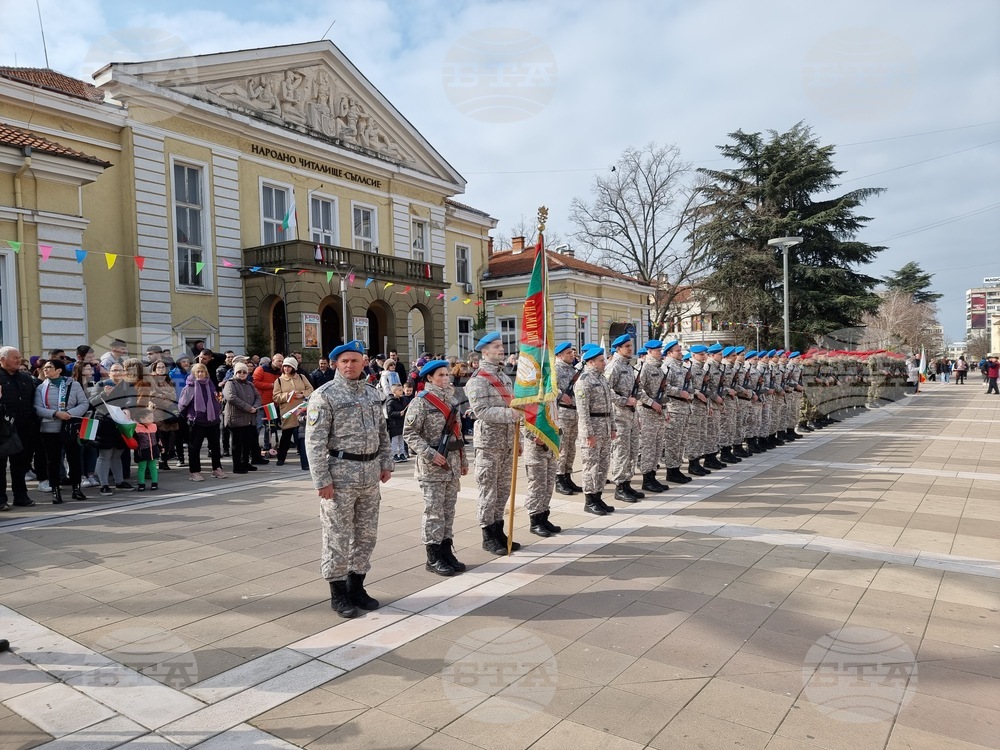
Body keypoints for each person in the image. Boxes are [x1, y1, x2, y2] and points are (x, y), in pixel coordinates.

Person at [304, 341, 392, 619]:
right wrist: (322, 480)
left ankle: (357, 586)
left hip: (369, 474)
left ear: (363, 363)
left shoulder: (371, 392)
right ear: (335, 364)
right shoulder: (324, 395)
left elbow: (382, 430)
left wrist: (386, 463)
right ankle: (338, 592)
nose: (350, 365)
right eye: (345, 361)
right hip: (339, 476)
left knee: (366, 535)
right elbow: (314, 442)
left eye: (355, 360)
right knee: (337, 536)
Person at [402, 360, 469, 575]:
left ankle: (446, 552)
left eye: (446, 374)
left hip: (452, 464)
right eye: (440, 375)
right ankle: (433, 557)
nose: (445, 378)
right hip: (432, 467)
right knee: (434, 513)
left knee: (448, 511)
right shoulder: (420, 402)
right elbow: (409, 434)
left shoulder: (450, 400)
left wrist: (464, 460)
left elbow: (458, 433)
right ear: (429, 378)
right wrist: (431, 454)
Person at [465, 331, 520, 556]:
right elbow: (482, 411)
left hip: (507, 441)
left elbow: (516, 406)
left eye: (501, 346)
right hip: (489, 443)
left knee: (503, 490)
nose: (501, 349)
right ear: (484, 352)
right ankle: (488, 534)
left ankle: (499, 529)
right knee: (488, 491)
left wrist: (519, 437)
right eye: (496, 346)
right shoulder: (478, 379)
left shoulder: (504, 377)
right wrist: (511, 414)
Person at [33, 358, 89, 504]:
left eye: (49, 367)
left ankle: (77, 489)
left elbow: (84, 403)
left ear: (59, 370)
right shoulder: (41, 387)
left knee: (74, 458)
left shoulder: (73, 385)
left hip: (70, 427)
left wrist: (69, 413)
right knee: (53, 461)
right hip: (49, 429)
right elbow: (37, 408)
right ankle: (55, 491)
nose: (45, 369)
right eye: (44, 367)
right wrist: (55, 414)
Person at [575, 346, 616, 515]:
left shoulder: (602, 379)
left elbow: (609, 406)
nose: (604, 362)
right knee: (591, 465)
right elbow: (582, 412)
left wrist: (613, 427)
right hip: (593, 428)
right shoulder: (584, 381)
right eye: (601, 360)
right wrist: (588, 434)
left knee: (603, 465)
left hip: (605, 427)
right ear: (591, 362)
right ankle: (590, 500)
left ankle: (598, 497)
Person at [605, 334, 644, 502]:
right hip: (619, 416)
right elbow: (607, 391)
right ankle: (620, 486)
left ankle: (627, 483)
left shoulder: (629, 366)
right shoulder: (613, 366)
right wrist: (624, 400)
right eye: (627, 346)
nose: (630, 348)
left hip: (632, 415)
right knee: (621, 452)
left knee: (632, 451)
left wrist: (637, 397)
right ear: (618, 349)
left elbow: (637, 388)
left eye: (631, 345)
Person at [0, 347, 39, 510]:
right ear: (2, 359)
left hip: (23, 428)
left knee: (20, 464)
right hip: (2, 430)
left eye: (20, 357)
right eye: (15, 357)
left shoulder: (25, 377)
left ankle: (21, 496)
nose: (18, 360)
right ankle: (1, 500)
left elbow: (33, 400)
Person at [89, 362, 135, 496]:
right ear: (109, 373)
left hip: (120, 423)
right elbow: (92, 402)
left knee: (117, 454)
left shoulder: (128, 385)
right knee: (105, 455)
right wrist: (104, 393)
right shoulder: (101, 385)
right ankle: (104, 484)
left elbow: (131, 400)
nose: (117, 373)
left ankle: (119, 482)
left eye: (120, 370)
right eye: (114, 370)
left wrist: (127, 409)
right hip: (105, 422)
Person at [179, 363, 225, 482]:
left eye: (202, 371)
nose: (200, 374)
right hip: (197, 422)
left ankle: (217, 469)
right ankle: (194, 472)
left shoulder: (210, 384)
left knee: (215, 447)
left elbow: (216, 399)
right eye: (198, 371)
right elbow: (182, 406)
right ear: (193, 373)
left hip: (212, 420)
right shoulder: (189, 387)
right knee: (194, 448)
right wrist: (190, 417)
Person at [553, 342, 583, 496]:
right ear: (559, 355)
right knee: (563, 447)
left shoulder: (573, 369)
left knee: (571, 447)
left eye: (572, 353)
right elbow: (549, 386)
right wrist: (560, 394)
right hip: (563, 413)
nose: (572, 355)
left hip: (574, 412)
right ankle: (559, 479)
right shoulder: (555, 369)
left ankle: (567, 476)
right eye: (568, 353)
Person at [273, 357, 313, 469]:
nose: (286, 368)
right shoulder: (279, 380)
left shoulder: (301, 377)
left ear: (294, 367)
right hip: (288, 411)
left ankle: (304, 458)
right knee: (286, 435)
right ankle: (281, 457)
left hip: (302, 410)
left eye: (289, 366)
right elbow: (275, 397)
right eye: (285, 366)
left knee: (301, 435)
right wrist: (287, 396)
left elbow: (311, 389)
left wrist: (302, 394)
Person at [223, 362, 261, 474]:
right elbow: (231, 397)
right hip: (236, 419)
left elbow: (258, 396)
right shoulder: (230, 383)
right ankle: (237, 465)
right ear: (235, 372)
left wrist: (255, 406)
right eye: (239, 372)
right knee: (237, 444)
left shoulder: (250, 384)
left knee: (247, 443)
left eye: (244, 372)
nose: (242, 374)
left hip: (249, 418)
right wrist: (248, 407)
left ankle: (245, 462)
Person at [133, 408, 160, 491]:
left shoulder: (154, 426)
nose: (152, 420)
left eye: (152, 418)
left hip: (153, 450)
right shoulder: (136, 428)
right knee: (142, 468)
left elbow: (158, 438)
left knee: (153, 467)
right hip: (142, 451)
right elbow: (133, 440)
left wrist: (161, 447)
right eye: (149, 418)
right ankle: (141, 483)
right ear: (141, 419)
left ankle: (154, 482)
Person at [385, 383, 409, 461]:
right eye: (400, 390)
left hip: (402, 423)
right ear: (394, 391)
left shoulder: (403, 400)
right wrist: (399, 413)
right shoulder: (390, 401)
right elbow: (390, 413)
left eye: (402, 390)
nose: (402, 392)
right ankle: (394, 454)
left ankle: (402, 453)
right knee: (395, 440)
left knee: (402, 439)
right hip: (394, 424)